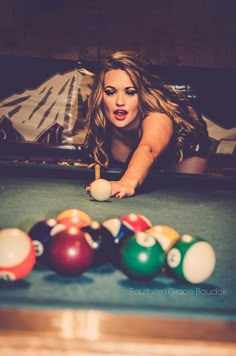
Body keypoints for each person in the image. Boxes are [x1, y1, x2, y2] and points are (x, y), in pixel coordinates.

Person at [84, 51, 211, 199]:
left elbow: (148, 149)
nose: (119, 102)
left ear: (142, 94)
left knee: (181, 195)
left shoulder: (158, 116)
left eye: (130, 92)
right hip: (141, 157)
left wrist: (126, 182)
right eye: (110, 92)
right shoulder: (100, 118)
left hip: (185, 144)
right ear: (101, 95)